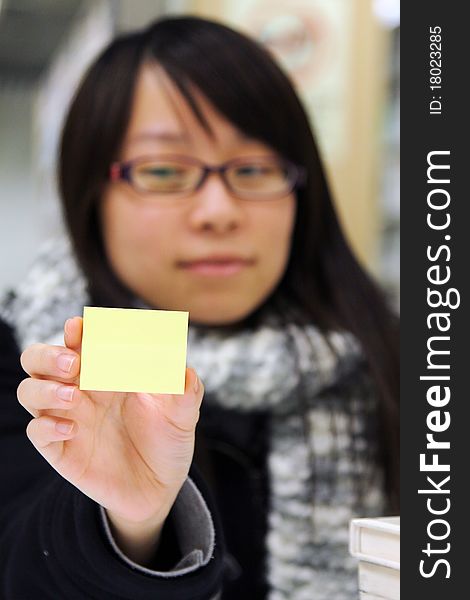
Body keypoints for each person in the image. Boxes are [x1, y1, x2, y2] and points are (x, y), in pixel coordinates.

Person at [0, 15, 399, 600]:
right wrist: (132, 526)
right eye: (164, 170)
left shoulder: (400, 359)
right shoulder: (35, 365)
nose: (218, 210)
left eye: (253, 170)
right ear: (91, 196)